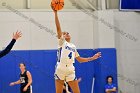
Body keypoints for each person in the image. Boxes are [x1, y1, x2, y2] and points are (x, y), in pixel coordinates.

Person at [52, 9, 101, 93]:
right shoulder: (62, 42)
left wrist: (92, 58)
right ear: (62, 36)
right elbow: (58, 28)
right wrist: (56, 13)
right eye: (65, 33)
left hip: (70, 69)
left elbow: (79, 60)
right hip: (61, 67)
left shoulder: (73, 46)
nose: (67, 33)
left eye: (68, 33)